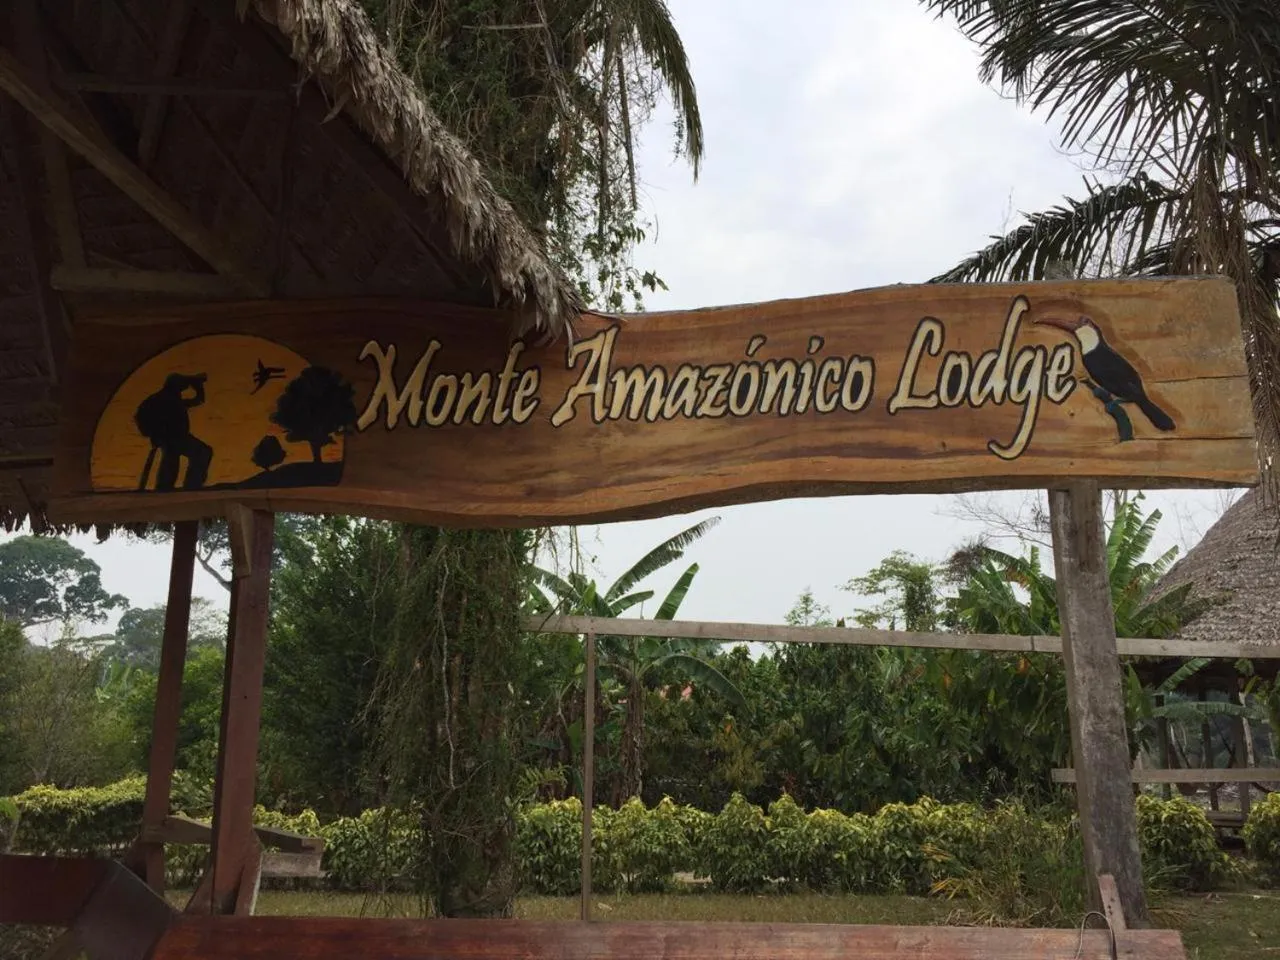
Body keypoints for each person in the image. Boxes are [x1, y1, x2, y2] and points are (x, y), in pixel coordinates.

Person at [134, 373, 213, 491]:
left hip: (173, 436)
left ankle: (169, 486)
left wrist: (198, 386)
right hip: (171, 437)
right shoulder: (165, 399)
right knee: (200, 452)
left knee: (173, 458)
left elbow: (198, 401)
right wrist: (153, 433)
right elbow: (141, 416)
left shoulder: (169, 398)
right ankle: (190, 485)